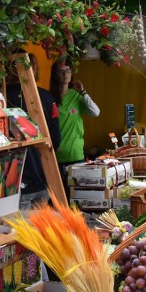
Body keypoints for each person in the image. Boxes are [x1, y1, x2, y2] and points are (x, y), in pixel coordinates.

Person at [6, 54, 61, 210]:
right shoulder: (47, 97)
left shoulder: (3, 95)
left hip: (18, 179)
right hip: (44, 176)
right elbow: (56, 139)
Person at [50, 60, 100, 194]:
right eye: (61, 71)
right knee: (59, 197)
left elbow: (95, 112)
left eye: (68, 71)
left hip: (76, 154)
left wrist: (83, 92)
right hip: (55, 156)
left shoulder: (77, 96)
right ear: (54, 75)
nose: (65, 74)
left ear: (72, 74)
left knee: (77, 196)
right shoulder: (49, 97)